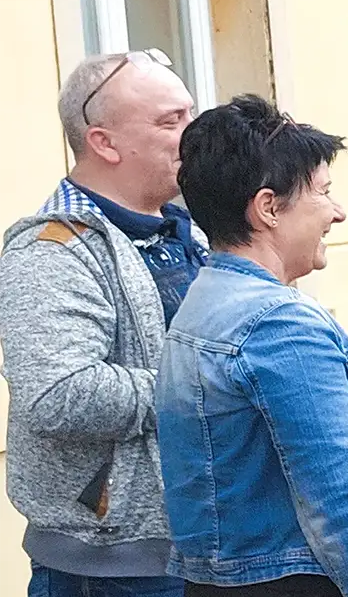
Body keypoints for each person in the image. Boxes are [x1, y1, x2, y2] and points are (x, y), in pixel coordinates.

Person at [156, 94, 348, 596]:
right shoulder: (277, 324)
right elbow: (341, 502)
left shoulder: (204, 301)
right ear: (268, 208)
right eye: (323, 192)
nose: (339, 212)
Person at [0, 50, 202, 597]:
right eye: (170, 121)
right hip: (112, 567)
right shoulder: (51, 251)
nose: (193, 134)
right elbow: (58, 394)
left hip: (202, 548)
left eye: (190, 114)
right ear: (104, 143)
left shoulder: (188, 234)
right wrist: (207, 386)